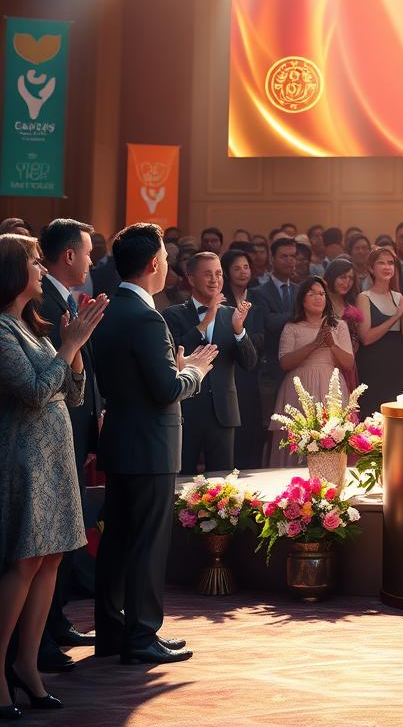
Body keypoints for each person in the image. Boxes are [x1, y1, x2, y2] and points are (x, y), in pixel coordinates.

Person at [89, 223, 217, 666]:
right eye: (164, 257)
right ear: (153, 265)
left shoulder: (107, 309)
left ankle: (111, 631)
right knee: (147, 542)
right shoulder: (146, 316)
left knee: (119, 539)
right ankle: (141, 635)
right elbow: (165, 389)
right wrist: (195, 371)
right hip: (151, 447)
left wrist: (174, 368)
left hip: (122, 441)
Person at [0, 234, 107, 715]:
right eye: (33, 263)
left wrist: (75, 348)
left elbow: (75, 392)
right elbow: (35, 392)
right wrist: (68, 346)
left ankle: (27, 664)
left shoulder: (33, 326)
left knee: (51, 559)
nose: (41, 270)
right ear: (11, 271)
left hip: (56, 453)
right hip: (25, 455)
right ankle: (0, 671)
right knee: (25, 561)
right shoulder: (1, 331)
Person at [36, 219, 104, 669]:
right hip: (46, 430)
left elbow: (83, 367)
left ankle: (55, 619)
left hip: (75, 423)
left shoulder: (69, 299)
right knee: (49, 535)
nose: (92, 260)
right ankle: (38, 639)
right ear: (68, 256)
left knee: (66, 528)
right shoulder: (41, 303)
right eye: (87, 252)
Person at [163, 252, 257, 474]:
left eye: (218, 274)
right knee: (181, 478)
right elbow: (176, 355)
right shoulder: (173, 315)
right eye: (207, 274)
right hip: (187, 411)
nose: (215, 280)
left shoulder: (232, 315)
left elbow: (250, 362)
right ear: (191, 278)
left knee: (223, 485)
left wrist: (239, 331)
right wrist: (206, 320)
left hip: (223, 413)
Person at [268, 276, 354, 467]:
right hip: (298, 388)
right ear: (302, 299)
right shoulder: (292, 327)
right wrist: (314, 344)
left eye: (322, 294)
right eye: (312, 293)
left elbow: (348, 363)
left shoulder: (338, 326)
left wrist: (332, 345)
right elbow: (285, 362)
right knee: (296, 438)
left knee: (332, 436)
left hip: (331, 387)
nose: (318, 298)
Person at [221, 248, 265, 470]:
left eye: (246, 267)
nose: (242, 272)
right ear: (227, 273)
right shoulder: (221, 299)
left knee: (252, 422)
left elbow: (261, 336)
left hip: (252, 368)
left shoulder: (258, 297)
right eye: (236, 268)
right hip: (230, 367)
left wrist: (243, 335)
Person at [356, 248, 403, 414]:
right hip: (374, 365)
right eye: (381, 263)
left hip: (398, 363)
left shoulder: (398, 296)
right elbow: (366, 337)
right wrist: (397, 314)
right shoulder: (364, 297)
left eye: (390, 263)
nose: (387, 266)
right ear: (371, 268)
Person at [251, 237, 298, 439]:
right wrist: (297, 314)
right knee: (271, 427)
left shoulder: (299, 290)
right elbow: (268, 323)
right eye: (284, 256)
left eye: (293, 257)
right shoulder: (258, 292)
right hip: (271, 367)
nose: (290, 261)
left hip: (298, 365)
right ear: (272, 259)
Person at [324, 258, 362, 396]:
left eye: (351, 278)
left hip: (347, 364)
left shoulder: (351, 307)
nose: (347, 282)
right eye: (342, 277)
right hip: (324, 363)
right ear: (332, 276)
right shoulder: (320, 303)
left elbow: (357, 341)